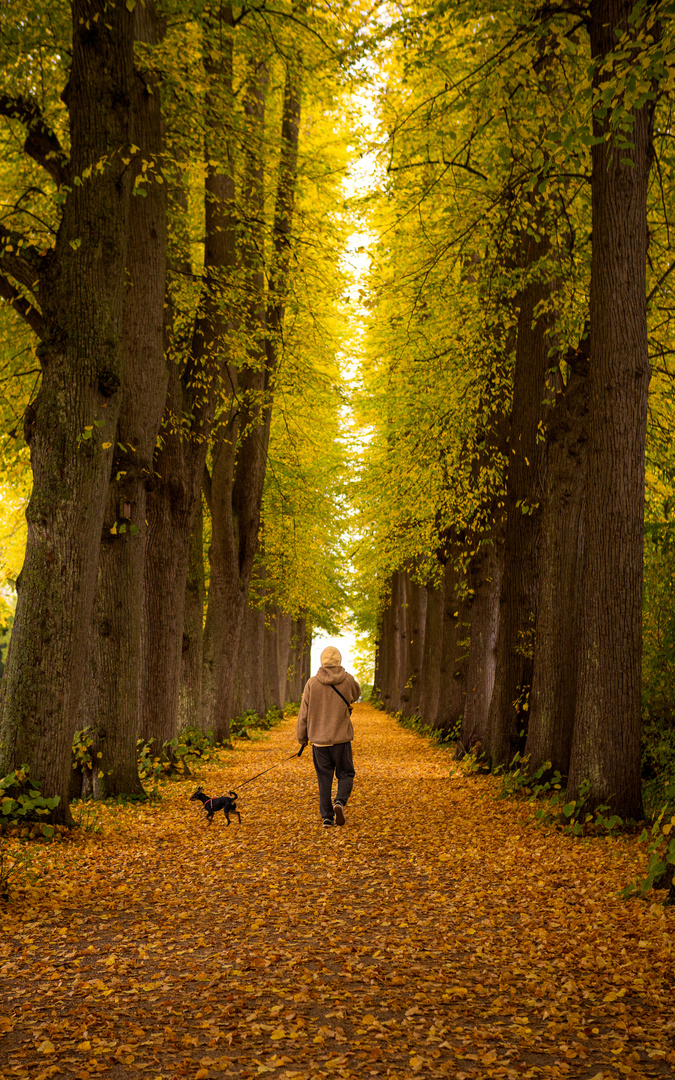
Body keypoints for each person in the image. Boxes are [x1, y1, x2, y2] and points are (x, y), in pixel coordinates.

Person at [297, 645, 361, 828]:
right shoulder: (348, 680)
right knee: (346, 773)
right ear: (339, 660)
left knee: (324, 778)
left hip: (319, 742)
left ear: (322, 661)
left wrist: (302, 738)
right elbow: (356, 694)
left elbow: (304, 713)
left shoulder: (312, 683)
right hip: (341, 740)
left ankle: (327, 817)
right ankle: (339, 802)